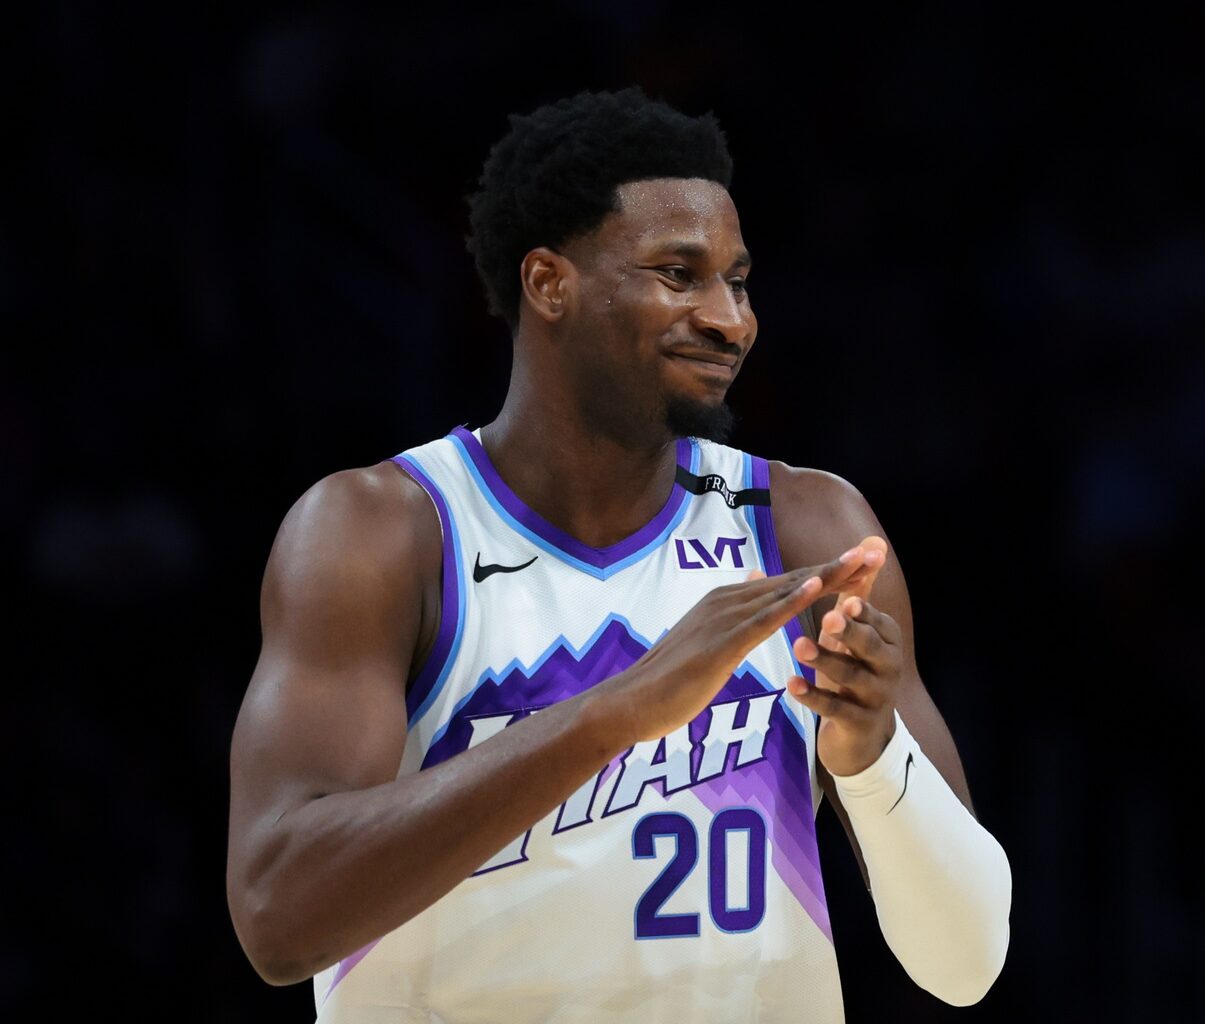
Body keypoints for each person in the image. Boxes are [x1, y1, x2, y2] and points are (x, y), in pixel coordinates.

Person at [225, 86, 1011, 1023]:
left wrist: (871, 755)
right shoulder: (384, 532)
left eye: (739, 279)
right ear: (549, 283)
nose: (730, 318)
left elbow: (965, 965)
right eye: (678, 273)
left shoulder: (803, 527)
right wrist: (615, 715)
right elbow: (278, 918)